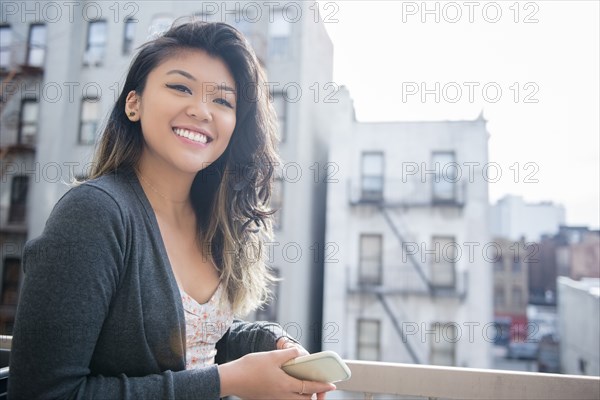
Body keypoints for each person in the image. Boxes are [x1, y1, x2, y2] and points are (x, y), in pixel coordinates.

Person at [8, 20, 336, 399]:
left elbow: (193, 342)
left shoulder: (213, 223)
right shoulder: (94, 213)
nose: (201, 110)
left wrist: (271, 343)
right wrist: (229, 381)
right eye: (180, 87)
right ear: (134, 103)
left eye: (222, 100)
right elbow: (43, 393)